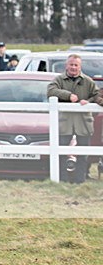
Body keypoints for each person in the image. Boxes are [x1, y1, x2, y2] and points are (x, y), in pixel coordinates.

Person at [46, 54, 100, 183]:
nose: (73, 67)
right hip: (65, 123)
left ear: (80, 66)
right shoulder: (59, 80)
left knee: (83, 154)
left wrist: (88, 101)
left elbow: (97, 95)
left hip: (83, 124)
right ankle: (63, 179)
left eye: (76, 65)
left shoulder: (88, 81)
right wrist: (68, 96)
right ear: (67, 65)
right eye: (71, 64)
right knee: (61, 153)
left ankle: (80, 179)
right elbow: (50, 91)